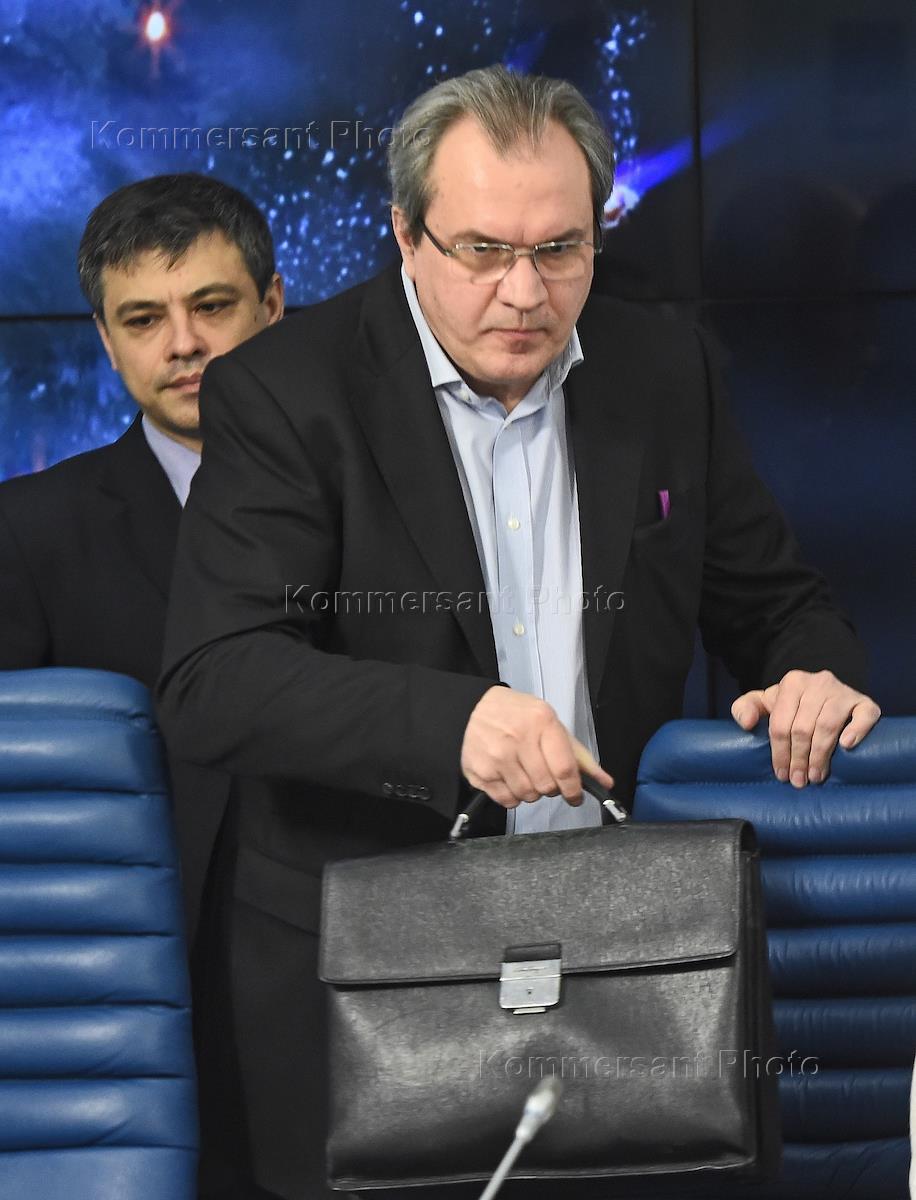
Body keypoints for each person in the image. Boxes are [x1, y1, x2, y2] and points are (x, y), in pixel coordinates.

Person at [156, 68, 880, 1199]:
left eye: (560, 249)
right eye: (483, 251)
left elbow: (778, 604)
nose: (526, 291)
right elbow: (216, 679)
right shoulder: (286, 390)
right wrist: (456, 724)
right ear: (407, 236)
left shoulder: (663, 369)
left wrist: (814, 674)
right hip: (376, 984)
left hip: (627, 966)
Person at [0, 172, 284, 1197]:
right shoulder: (30, 530)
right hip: (131, 1021)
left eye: (211, 305)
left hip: (359, 983)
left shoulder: (383, 504)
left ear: (273, 307)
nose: (184, 344)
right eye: (143, 319)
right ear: (106, 340)